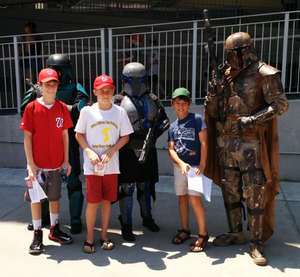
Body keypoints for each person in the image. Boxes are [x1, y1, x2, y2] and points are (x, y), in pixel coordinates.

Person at [204, 32, 289, 265]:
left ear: (243, 52)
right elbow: (213, 113)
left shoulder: (264, 73)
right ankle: (236, 232)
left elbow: (280, 105)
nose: (228, 58)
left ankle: (257, 241)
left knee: (254, 193)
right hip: (225, 141)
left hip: (251, 142)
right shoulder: (223, 76)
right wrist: (213, 94)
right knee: (229, 190)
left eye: (231, 54)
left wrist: (252, 120)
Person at [26, 54, 89, 234]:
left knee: (73, 180)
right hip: (43, 141)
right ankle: (44, 218)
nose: (59, 75)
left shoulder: (76, 88)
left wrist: (56, 104)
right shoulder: (38, 88)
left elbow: (81, 109)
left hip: (67, 137)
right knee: (43, 180)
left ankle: (75, 219)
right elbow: (26, 109)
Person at [75, 74, 133, 253]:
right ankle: (90, 237)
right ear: (95, 92)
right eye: (101, 91)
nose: (105, 94)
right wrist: (89, 151)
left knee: (107, 201)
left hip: (111, 166)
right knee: (93, 202)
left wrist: (112, 150)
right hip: (92, 168)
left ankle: (105, 235)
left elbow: (125, 136)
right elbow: (79, 134)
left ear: (113, 91)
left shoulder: (120, 112)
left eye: (109, 91)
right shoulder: (87, 111)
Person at [20, 68, 74, 255]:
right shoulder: (32, 108)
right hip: (37, 164)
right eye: (47, 83)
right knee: (36, 199)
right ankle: (37, 234)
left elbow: (65, 135)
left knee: (54, 198)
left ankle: (54, 229)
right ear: (40, 85)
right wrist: (31, 164)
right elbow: (27, 137)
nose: (51, 87)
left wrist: (66, 160)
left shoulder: (61, 107)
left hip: (56, 163)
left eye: (54, 83)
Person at [114, 62, 170, 241]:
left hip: (149, 147)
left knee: (145, 185)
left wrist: (154, 133)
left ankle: (147, 218)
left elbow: (165, 121)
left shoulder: (153, 99)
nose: (137, 84)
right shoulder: (118, 100)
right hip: (126, 149)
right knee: (127, 187)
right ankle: (126, 223)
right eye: (133, 80)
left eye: (140, 80)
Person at [168, 88, 208, 252]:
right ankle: (185, 229)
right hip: (180, 168)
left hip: (195, 168)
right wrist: (180, 163)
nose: (181, 106)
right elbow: (171, 149)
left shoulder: (197, 119)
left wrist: (202, 165)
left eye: (184, 103)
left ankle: (203, 234)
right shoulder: (173, 126)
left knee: (194, 199)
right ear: (172, 104)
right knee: (182, 198)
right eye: (178, 103)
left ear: (189, 104)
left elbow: (204, 143)